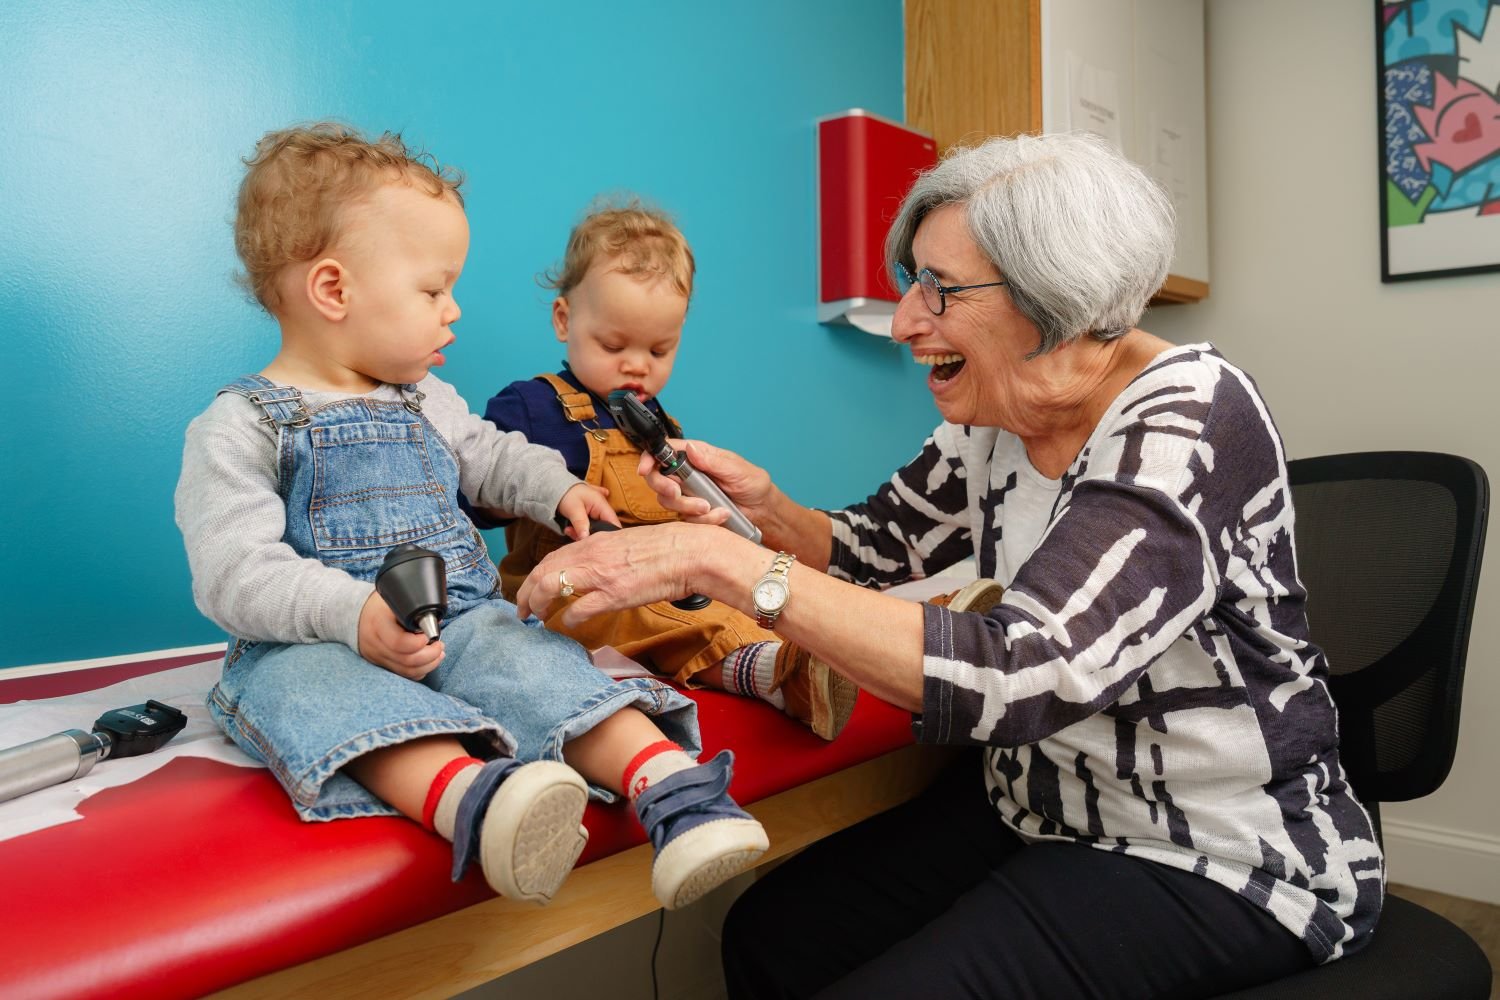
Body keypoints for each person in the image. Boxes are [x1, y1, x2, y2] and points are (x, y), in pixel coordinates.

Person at [515, 131, 1384, 996]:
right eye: (911, 283)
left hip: (1218, 852)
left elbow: (1023, 674)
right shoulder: (998, 414)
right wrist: (764, 513)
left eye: (940, 288)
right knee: (771, 936)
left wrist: (718, 563)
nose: (903, 321)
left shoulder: (1188, 420)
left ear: (1057, 299)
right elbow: (868, 550)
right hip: (1040, 807)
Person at [173, 122, 768, 913]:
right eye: (432, 289)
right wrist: (354, 616)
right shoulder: (242, 424)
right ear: (334, 290)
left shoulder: (428, 400)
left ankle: (678, 796)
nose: (453, 310)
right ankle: (483, 806)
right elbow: (232, 573)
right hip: (316, 637)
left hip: (457, 614)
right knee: (315, 694)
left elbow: (492, 456)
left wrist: (557, 490)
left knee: (527, 658)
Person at [468, 200, 858, 740]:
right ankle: (771, 675)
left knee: (748, 595)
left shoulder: (660, 423)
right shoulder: (532, 407)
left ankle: (864, 642)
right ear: (564, 320)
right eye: (613, 345)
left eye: (660, 349)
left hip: (668, 584)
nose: (637, 365)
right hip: (576, 596)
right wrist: (550, 494)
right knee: (653, 619)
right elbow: (477, 493)